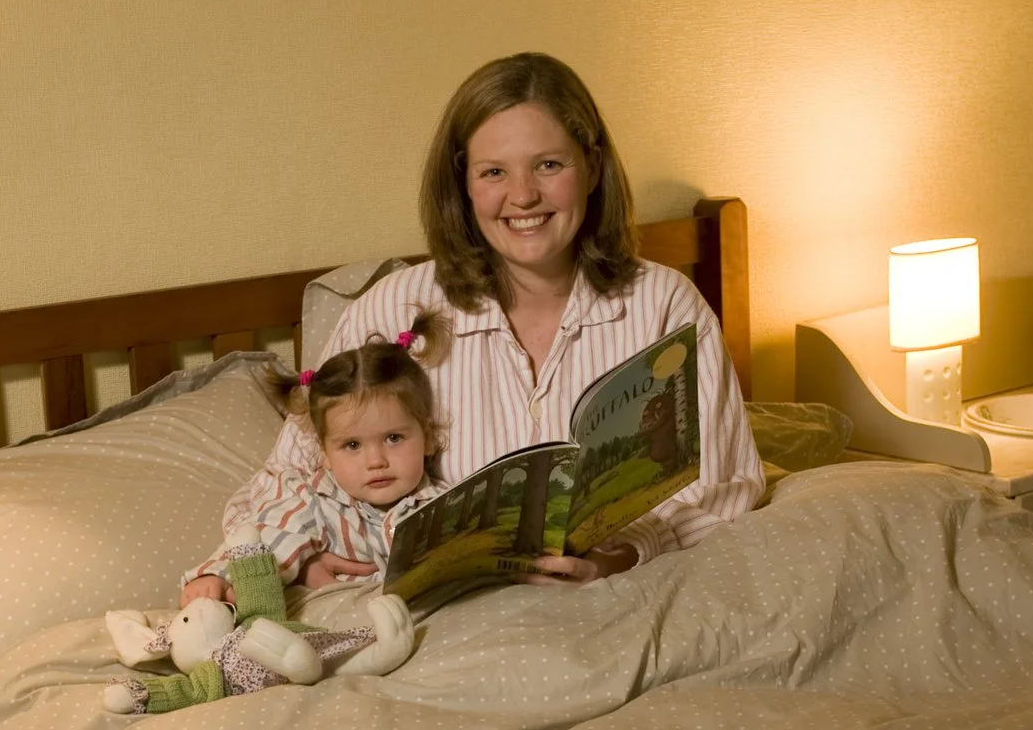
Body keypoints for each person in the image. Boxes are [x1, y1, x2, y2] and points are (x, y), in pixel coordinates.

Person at [186, 52, 761, 606]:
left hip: (618, 601)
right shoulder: (389, 313)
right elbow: (288, 476)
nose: (523, 196)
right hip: (448, 623)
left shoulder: (664, 303)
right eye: (494, 172)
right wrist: (300, 561)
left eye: (549, 164)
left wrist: (627, 554)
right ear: (464, 186)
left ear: (592, 167)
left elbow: (727, 485)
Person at [184, 313, 450, 591]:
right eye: (353, 445)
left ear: (428, 439)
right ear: (325, 453)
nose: (376, 461)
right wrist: (213, 577)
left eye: (394, 438)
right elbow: (261, 539)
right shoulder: (312, 500)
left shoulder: (444, 506)